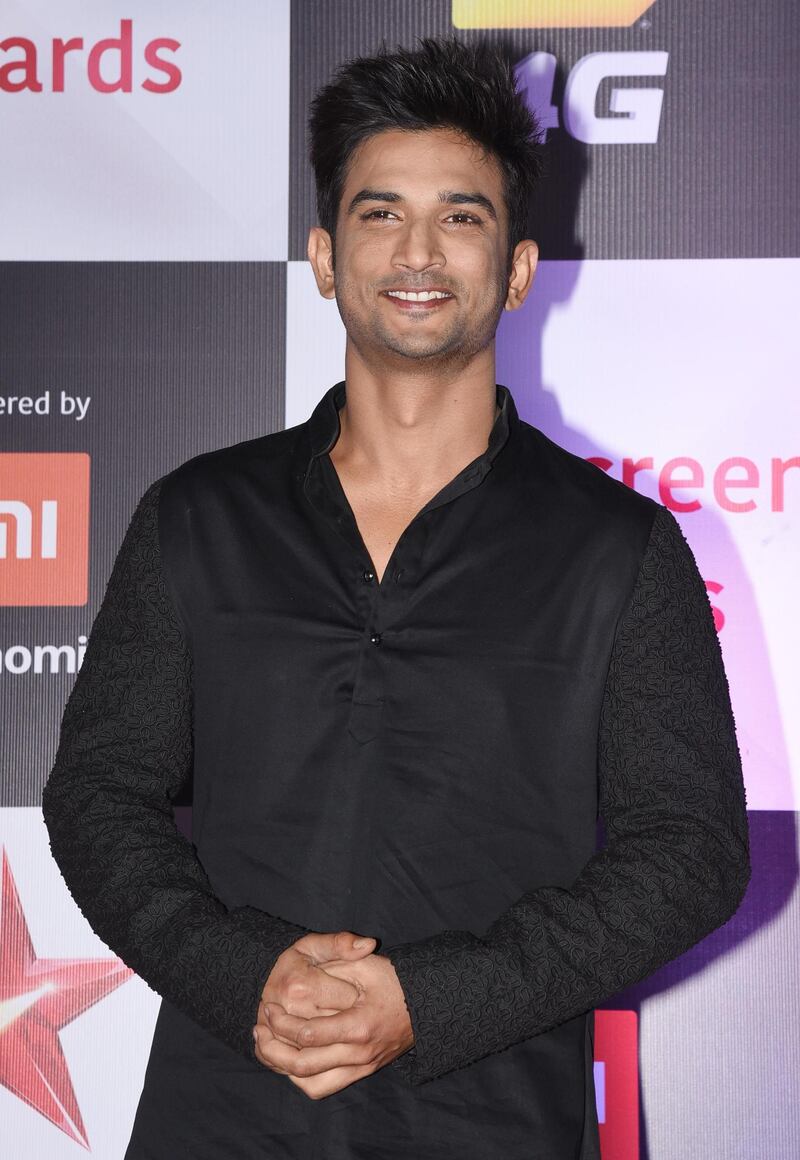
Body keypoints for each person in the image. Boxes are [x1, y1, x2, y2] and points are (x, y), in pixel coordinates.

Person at [42, 37, 750, 1160]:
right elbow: (96, 793)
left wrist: (432, 996)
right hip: (220, 1119)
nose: (417, 250)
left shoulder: (619, 549)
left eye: (460, 216)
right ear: (323, 256)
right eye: (379, 214)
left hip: (493, 1122)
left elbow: (693, 846)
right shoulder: (198, 515)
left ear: (516, 266)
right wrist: (245, 974)